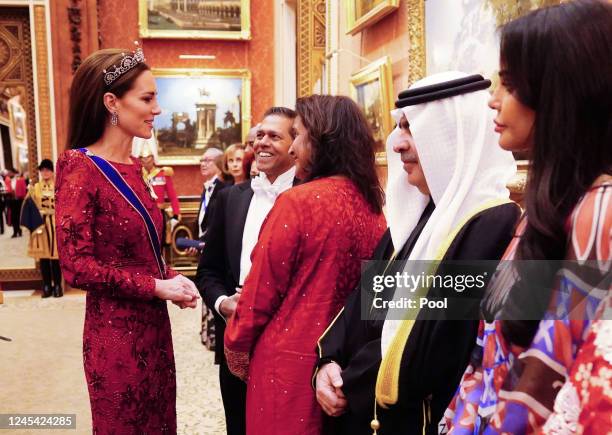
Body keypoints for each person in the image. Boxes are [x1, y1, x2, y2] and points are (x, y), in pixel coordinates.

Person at [314, 73, 521, 435]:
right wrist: (327, 364)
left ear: (452, 136)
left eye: (411, 128)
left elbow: (431, 343)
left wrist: (348, 380)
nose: (397, 144)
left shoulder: (492, 222)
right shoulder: (419, 215)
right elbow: (363, 303)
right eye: (400, 128)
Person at [442, 1, 611, 433]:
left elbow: (560, 372)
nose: (493, 102)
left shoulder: (599, 210)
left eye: (511, 84)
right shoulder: (546, 208)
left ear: (561, 93)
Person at [55, 46, 199, 434]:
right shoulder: (79, 167)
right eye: (147, 98)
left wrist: (173, 278)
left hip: (154, 329)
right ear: (111, 102)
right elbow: (75, 267)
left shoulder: (135, 168)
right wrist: (156, 286)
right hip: (114, 336)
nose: (157, 109)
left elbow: (139, 251)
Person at [224, 95, 387, 435]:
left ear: (322, 139)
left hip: (287, 368)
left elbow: (259, 294)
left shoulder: (297, 202)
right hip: (345, 366)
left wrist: (236, 345)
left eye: (297, 135)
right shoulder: (373, 208)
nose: (294, 147)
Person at [195, 106, 299, 435]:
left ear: (296, 144)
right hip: (236, 334)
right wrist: (224, 303)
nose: (262, 143)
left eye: (274, 136)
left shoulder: (310, 196)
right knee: (238, 425)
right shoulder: (231, 198)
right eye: (259, 136)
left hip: (288, 341)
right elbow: (207, 271)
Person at [21, 159, 62, 298]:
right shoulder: (35, 187)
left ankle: (57, 286)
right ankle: (46, 286)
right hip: (41, 226)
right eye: (42, 170)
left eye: (47, 170)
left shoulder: (59, 186)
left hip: (55, 225)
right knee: (44, 257)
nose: (45, 173)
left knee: (55, 257)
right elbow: (29, 206)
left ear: (52, 171)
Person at [133, 136, 181, 246]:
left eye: (148, 157)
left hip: (159, 214)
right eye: (142, 158)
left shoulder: (163, 174)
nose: (145, 160)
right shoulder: (136, 175)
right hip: (141, 215)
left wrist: (176, 213)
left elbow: (172, 196)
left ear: (153, 157)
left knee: (160, 244)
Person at [4, 168, 26, 237]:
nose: (9, 174)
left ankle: (20, 231)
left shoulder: (20, 180)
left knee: (19, 216)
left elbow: (23, 189)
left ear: (13, 173)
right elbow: (7, 189)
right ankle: (14, 231)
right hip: (12, 201)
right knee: (13, 217)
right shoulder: (8, 181)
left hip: (19, 201)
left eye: (10, 173)